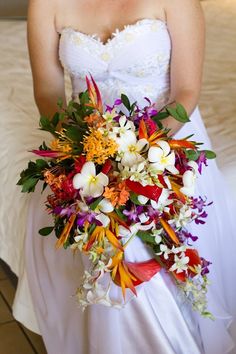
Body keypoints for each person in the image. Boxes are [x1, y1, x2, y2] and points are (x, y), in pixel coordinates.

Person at [13, 0, 236, 353]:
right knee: (98, 229)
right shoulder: (46, 4)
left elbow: (186, 92)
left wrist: (140, 153)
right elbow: (48, 94)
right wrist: (83, 153)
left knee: (130, 240)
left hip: (164, 142)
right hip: (85, 151)